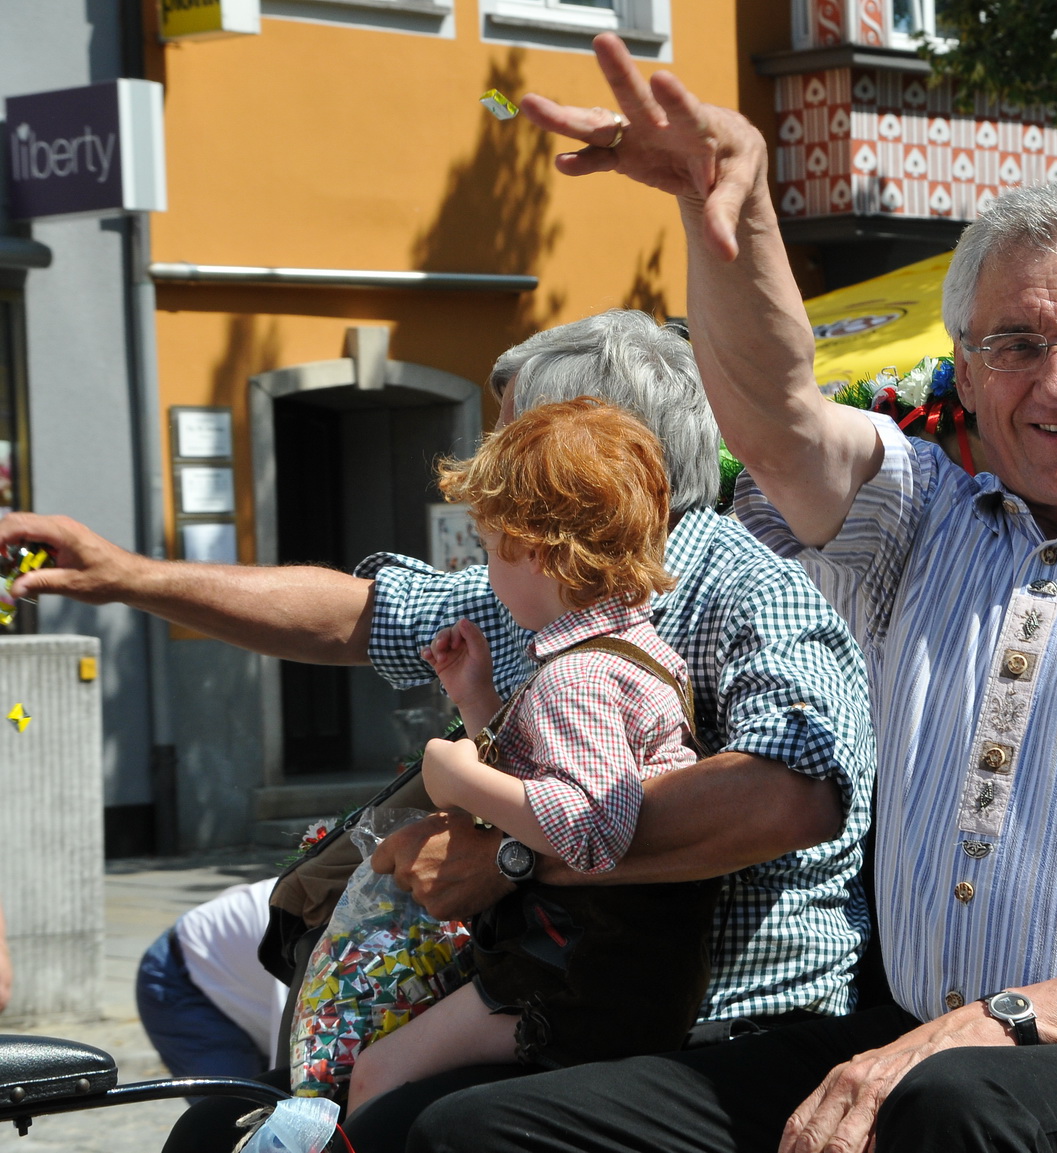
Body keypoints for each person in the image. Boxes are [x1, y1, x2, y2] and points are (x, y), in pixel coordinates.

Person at [402, 34, 1057, 1153]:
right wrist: (727, 206)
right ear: (964, 370)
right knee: (474, 1133)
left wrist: (1008, 1020)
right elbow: (775, 422)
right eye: (1012, 344)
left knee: (946, 1106)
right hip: (902, 1030)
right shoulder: (925, 521)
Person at [0, 310, 875, 1151]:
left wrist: (509, 855)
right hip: (557, 983)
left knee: (418, 1129)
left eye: (511, 440)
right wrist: (128, 576)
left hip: (721, 1019)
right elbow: (368, 612)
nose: (489, 466)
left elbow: (791, 796)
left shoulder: (749, 590)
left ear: (585, 460)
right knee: (217, 1125)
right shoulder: (541, 585)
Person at [349, 398, 710, 1112]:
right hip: (629, 972)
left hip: (581, 978)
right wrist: (478, 699)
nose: (485, 569)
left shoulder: (575, 677)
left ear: (535, 549)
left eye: (487, 546)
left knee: (376, 1076)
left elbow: (588, 832)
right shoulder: (634, 653)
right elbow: (562, 779)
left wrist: (455, 774)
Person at [136, 878, 287, 1079]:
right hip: (182, 979)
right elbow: (293, 1058)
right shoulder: (318, 932)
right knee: (236, 1106)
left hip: (239, 978)